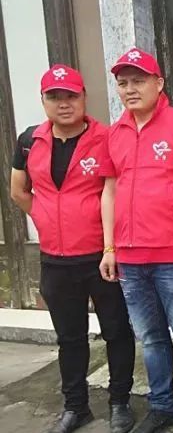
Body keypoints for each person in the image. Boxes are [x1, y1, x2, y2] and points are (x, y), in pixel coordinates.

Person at [10, 64, 136, 433]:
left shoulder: (106, 137)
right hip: (55, 260)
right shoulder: (29, 140)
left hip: (100, 256)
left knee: (117, 331)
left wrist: (107, 242)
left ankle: (120, 402)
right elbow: (18, 191)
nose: (63, 103)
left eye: (71, 96)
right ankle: (76, 406)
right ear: (43, 100)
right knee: (69, 338)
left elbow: (116, 192)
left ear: (84, 97)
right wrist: (46, 217)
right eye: (55, 97)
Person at [100, 48, 173, 433]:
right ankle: (163, 405)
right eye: (123, 83)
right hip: (129, 258)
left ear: (159, 83)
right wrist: (109, 247)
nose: (130, 89)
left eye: (139, 81)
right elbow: (109, 191)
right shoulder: (114, 133)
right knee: (150, 338)